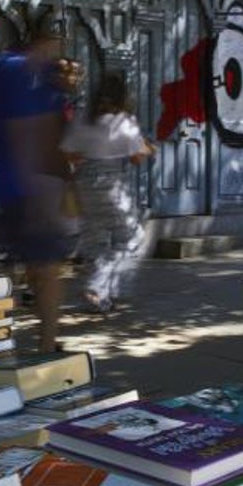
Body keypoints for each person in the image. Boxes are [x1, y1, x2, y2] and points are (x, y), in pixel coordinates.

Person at [0, 22, 77, 352]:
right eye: (54, 45)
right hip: (29, 189)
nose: (57, 53)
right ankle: (46, 343)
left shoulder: (19, 74)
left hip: (17, 187)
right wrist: (38, 193)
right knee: (49, 268)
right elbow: (23, 133)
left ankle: (34, 340)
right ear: (42, 42)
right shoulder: (17, 71)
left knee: (36, 267)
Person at [61, 70, 154, 313]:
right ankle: (100, 285)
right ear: (122, 97)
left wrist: (90, 151)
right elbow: (136, 157)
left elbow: (68, 153)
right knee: (131, 237)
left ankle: (101, 295)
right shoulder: (124, 121)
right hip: (112, 183)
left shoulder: (82, 117)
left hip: (84, 182)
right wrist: (148, 149)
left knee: (95, 239)